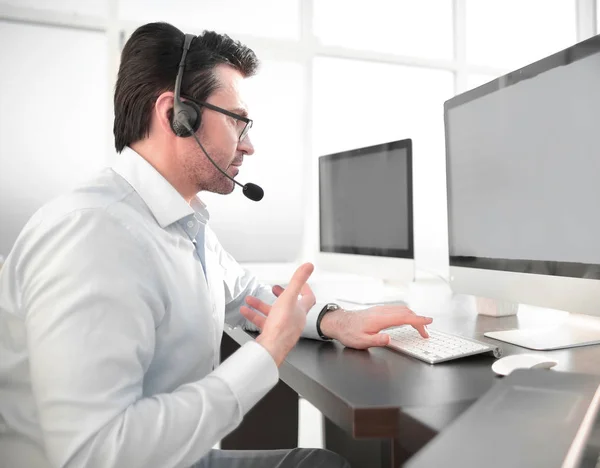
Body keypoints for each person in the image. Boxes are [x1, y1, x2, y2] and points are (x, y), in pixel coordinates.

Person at [0, 22, 433, 468]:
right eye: (237, 121)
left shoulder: (179, 222)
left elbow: (244, 293)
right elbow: (94, 456)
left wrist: (335, 321)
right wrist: (268, 353)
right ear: (175, 115)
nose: (249, 146)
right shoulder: (94, 236)